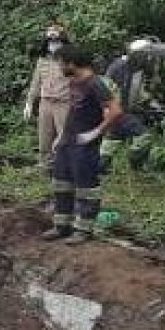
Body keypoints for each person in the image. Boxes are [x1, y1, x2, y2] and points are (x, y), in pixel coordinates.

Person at [45, 45, 122, 244]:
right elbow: (73, 112)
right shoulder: (74, 82)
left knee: (86, 188)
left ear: (72, 63)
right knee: (61, 184)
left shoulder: (95, 83)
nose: (60, 66)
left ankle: (83, 230)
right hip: (67, 142)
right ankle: (62, 225)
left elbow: (115, 111)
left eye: (61, 62)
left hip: (84, 146)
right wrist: (60, 137)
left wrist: (95, 133)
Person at [24, 23, 73, 165]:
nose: (53, 44)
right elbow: (35, 82)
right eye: (51, 42)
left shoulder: (69, 60)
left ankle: (66, 166)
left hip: (63, 102)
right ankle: (44, 164)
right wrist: (29, 103)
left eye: (56, 41)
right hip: (45, 102)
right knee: (44, 137)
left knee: (64, 137)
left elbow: (77, 82)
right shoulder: (42, 60)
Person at [101, 38, 155, 167]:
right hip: (118, 110)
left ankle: (101, 165)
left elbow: (137, 90)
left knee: (112, 141)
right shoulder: (119, 67)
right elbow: (107, 89)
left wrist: (149, 101)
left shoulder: (138, 68)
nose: (149, 59)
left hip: (128, 109)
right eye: (146, 56)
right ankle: (134, 162)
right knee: (144, 136)